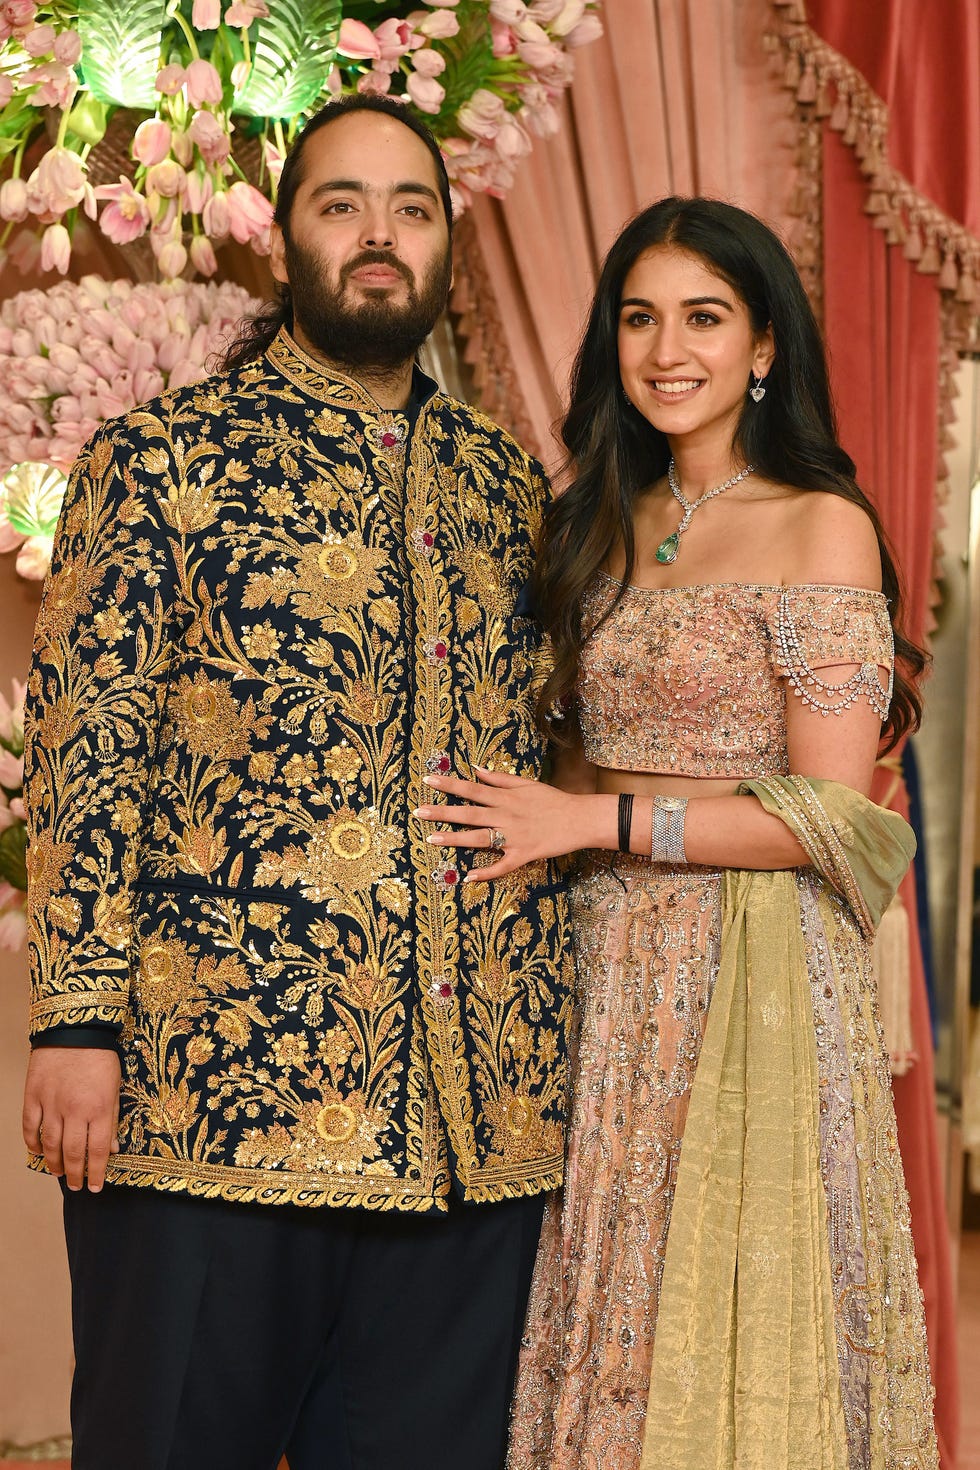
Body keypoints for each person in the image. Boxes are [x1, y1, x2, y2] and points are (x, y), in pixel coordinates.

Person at [20, 93, 574, 1470]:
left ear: (446, 239)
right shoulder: (160, 460)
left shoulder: (506, 484)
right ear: (287, 241)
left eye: (411, 208)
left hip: (469, 1126)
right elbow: (87, 748)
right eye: (344, 206)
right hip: (208, 1103)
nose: (379, 239)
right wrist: (74, 1023)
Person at [415, 197, 939, 1469]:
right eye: (639, 317)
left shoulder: (820, 522)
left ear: (762, 347)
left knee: (729, 1297)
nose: (666, 350)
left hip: (747, 968)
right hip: (596, 963)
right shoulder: (600, 516)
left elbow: (829, 817)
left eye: (703, 317)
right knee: (611, 1300)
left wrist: (591, 819)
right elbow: (565, 744)